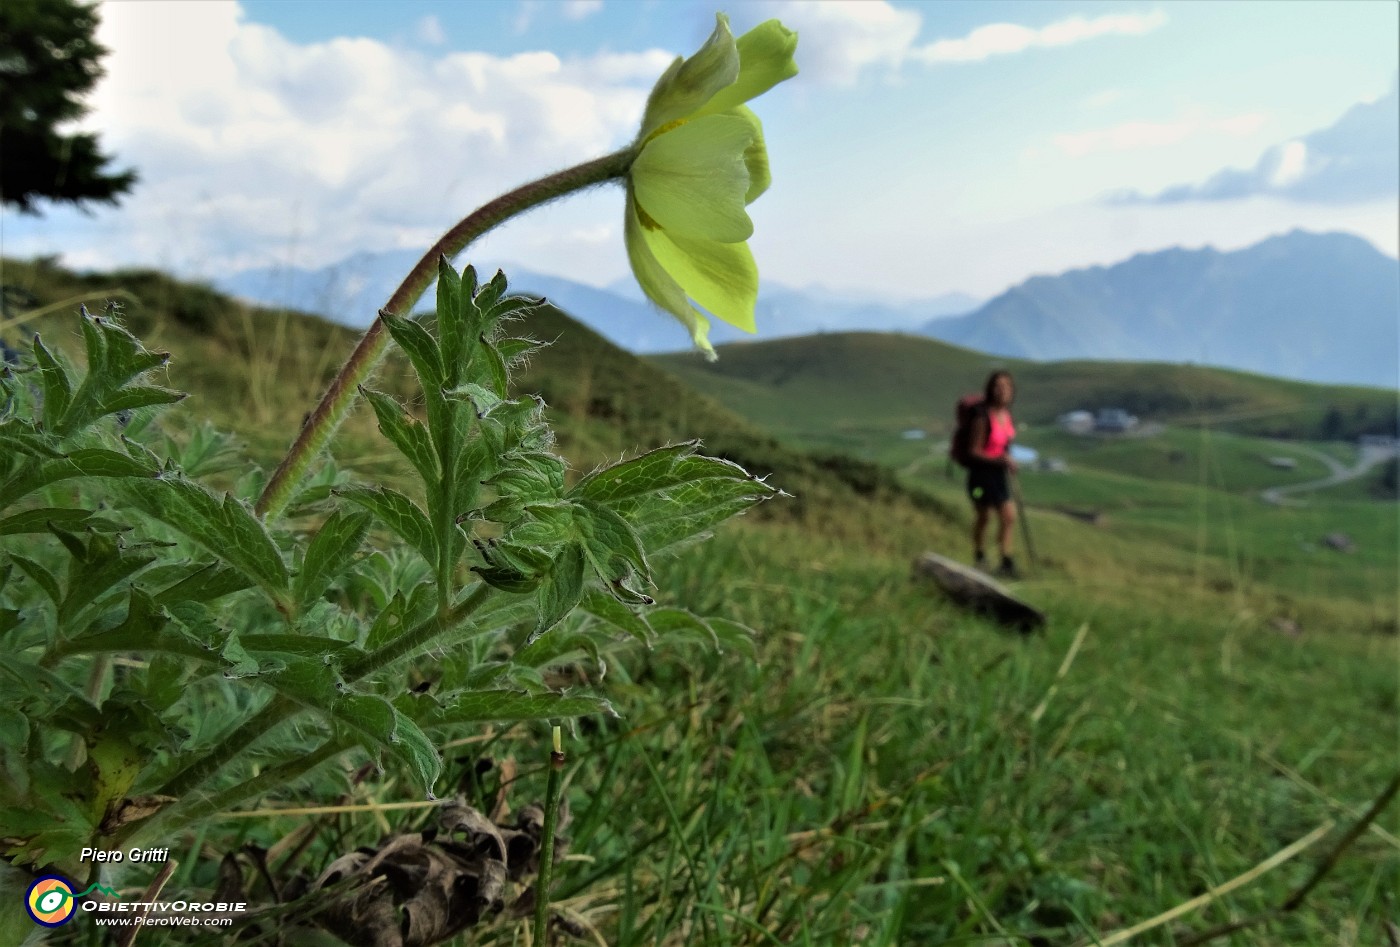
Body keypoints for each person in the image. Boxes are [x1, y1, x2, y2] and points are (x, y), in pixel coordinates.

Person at [967, 370, 1020, 578]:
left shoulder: (1006, 416)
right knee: (984, 517)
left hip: (998, 475)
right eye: (998, 386)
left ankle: (1006, 560)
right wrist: (1000, 460)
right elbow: (973, 451)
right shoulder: (982, 416)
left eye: (1007, 386)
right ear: (990, 389)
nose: (1003, 390)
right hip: (980, 476)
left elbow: (1004, 445)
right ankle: (980, 557)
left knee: (1008, 517)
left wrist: (1007, 460)